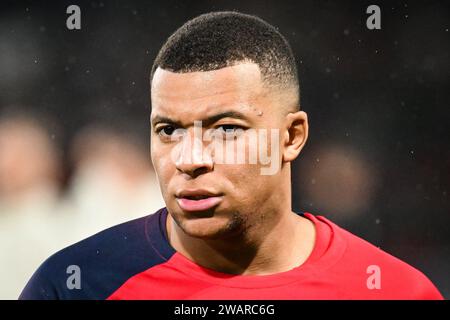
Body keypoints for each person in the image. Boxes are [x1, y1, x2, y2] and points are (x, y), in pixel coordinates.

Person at [20, 11, 443, 300]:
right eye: (168, 130)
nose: (189, 159)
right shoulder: (76, 284)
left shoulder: (395, 290)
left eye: (225, 130)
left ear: (291, 137)